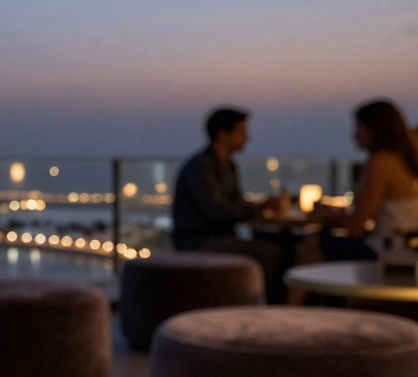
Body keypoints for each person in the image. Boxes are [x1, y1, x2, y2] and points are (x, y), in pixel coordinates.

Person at [172, 106, 287, 301]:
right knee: (271, 252)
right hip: (198, 241)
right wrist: (261, 206)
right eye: (242, 132)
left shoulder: (228, 165)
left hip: (217, 237)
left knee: (281, 244)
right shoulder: (201, 167)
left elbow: (235, 204)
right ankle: (270, 307)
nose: (247, 138)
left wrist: (260, 208)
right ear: (222, 134)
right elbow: (217, 211)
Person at [296, 99, 418, 267]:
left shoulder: (380, 162)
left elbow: (356, 227)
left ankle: (294, 293)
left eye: (359, 128)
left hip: (387, 252)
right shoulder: (403, 161)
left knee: (312, 243)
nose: (354, 135)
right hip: (406, 250)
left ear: (375, 129)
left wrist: (329, 214)